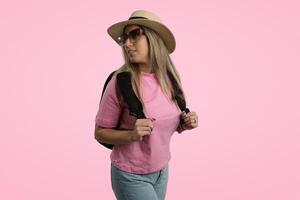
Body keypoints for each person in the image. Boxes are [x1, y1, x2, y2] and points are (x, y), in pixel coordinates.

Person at [94, 10, 198, 200]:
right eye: (124, 38)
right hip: (131, 175)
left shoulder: (170, 79)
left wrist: (184, 124)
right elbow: (100, 132)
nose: (126, 44)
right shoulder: (120, 82)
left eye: (135, 35)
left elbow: (166, 123)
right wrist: (131, 135)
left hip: (162, 170)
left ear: (154, 39)